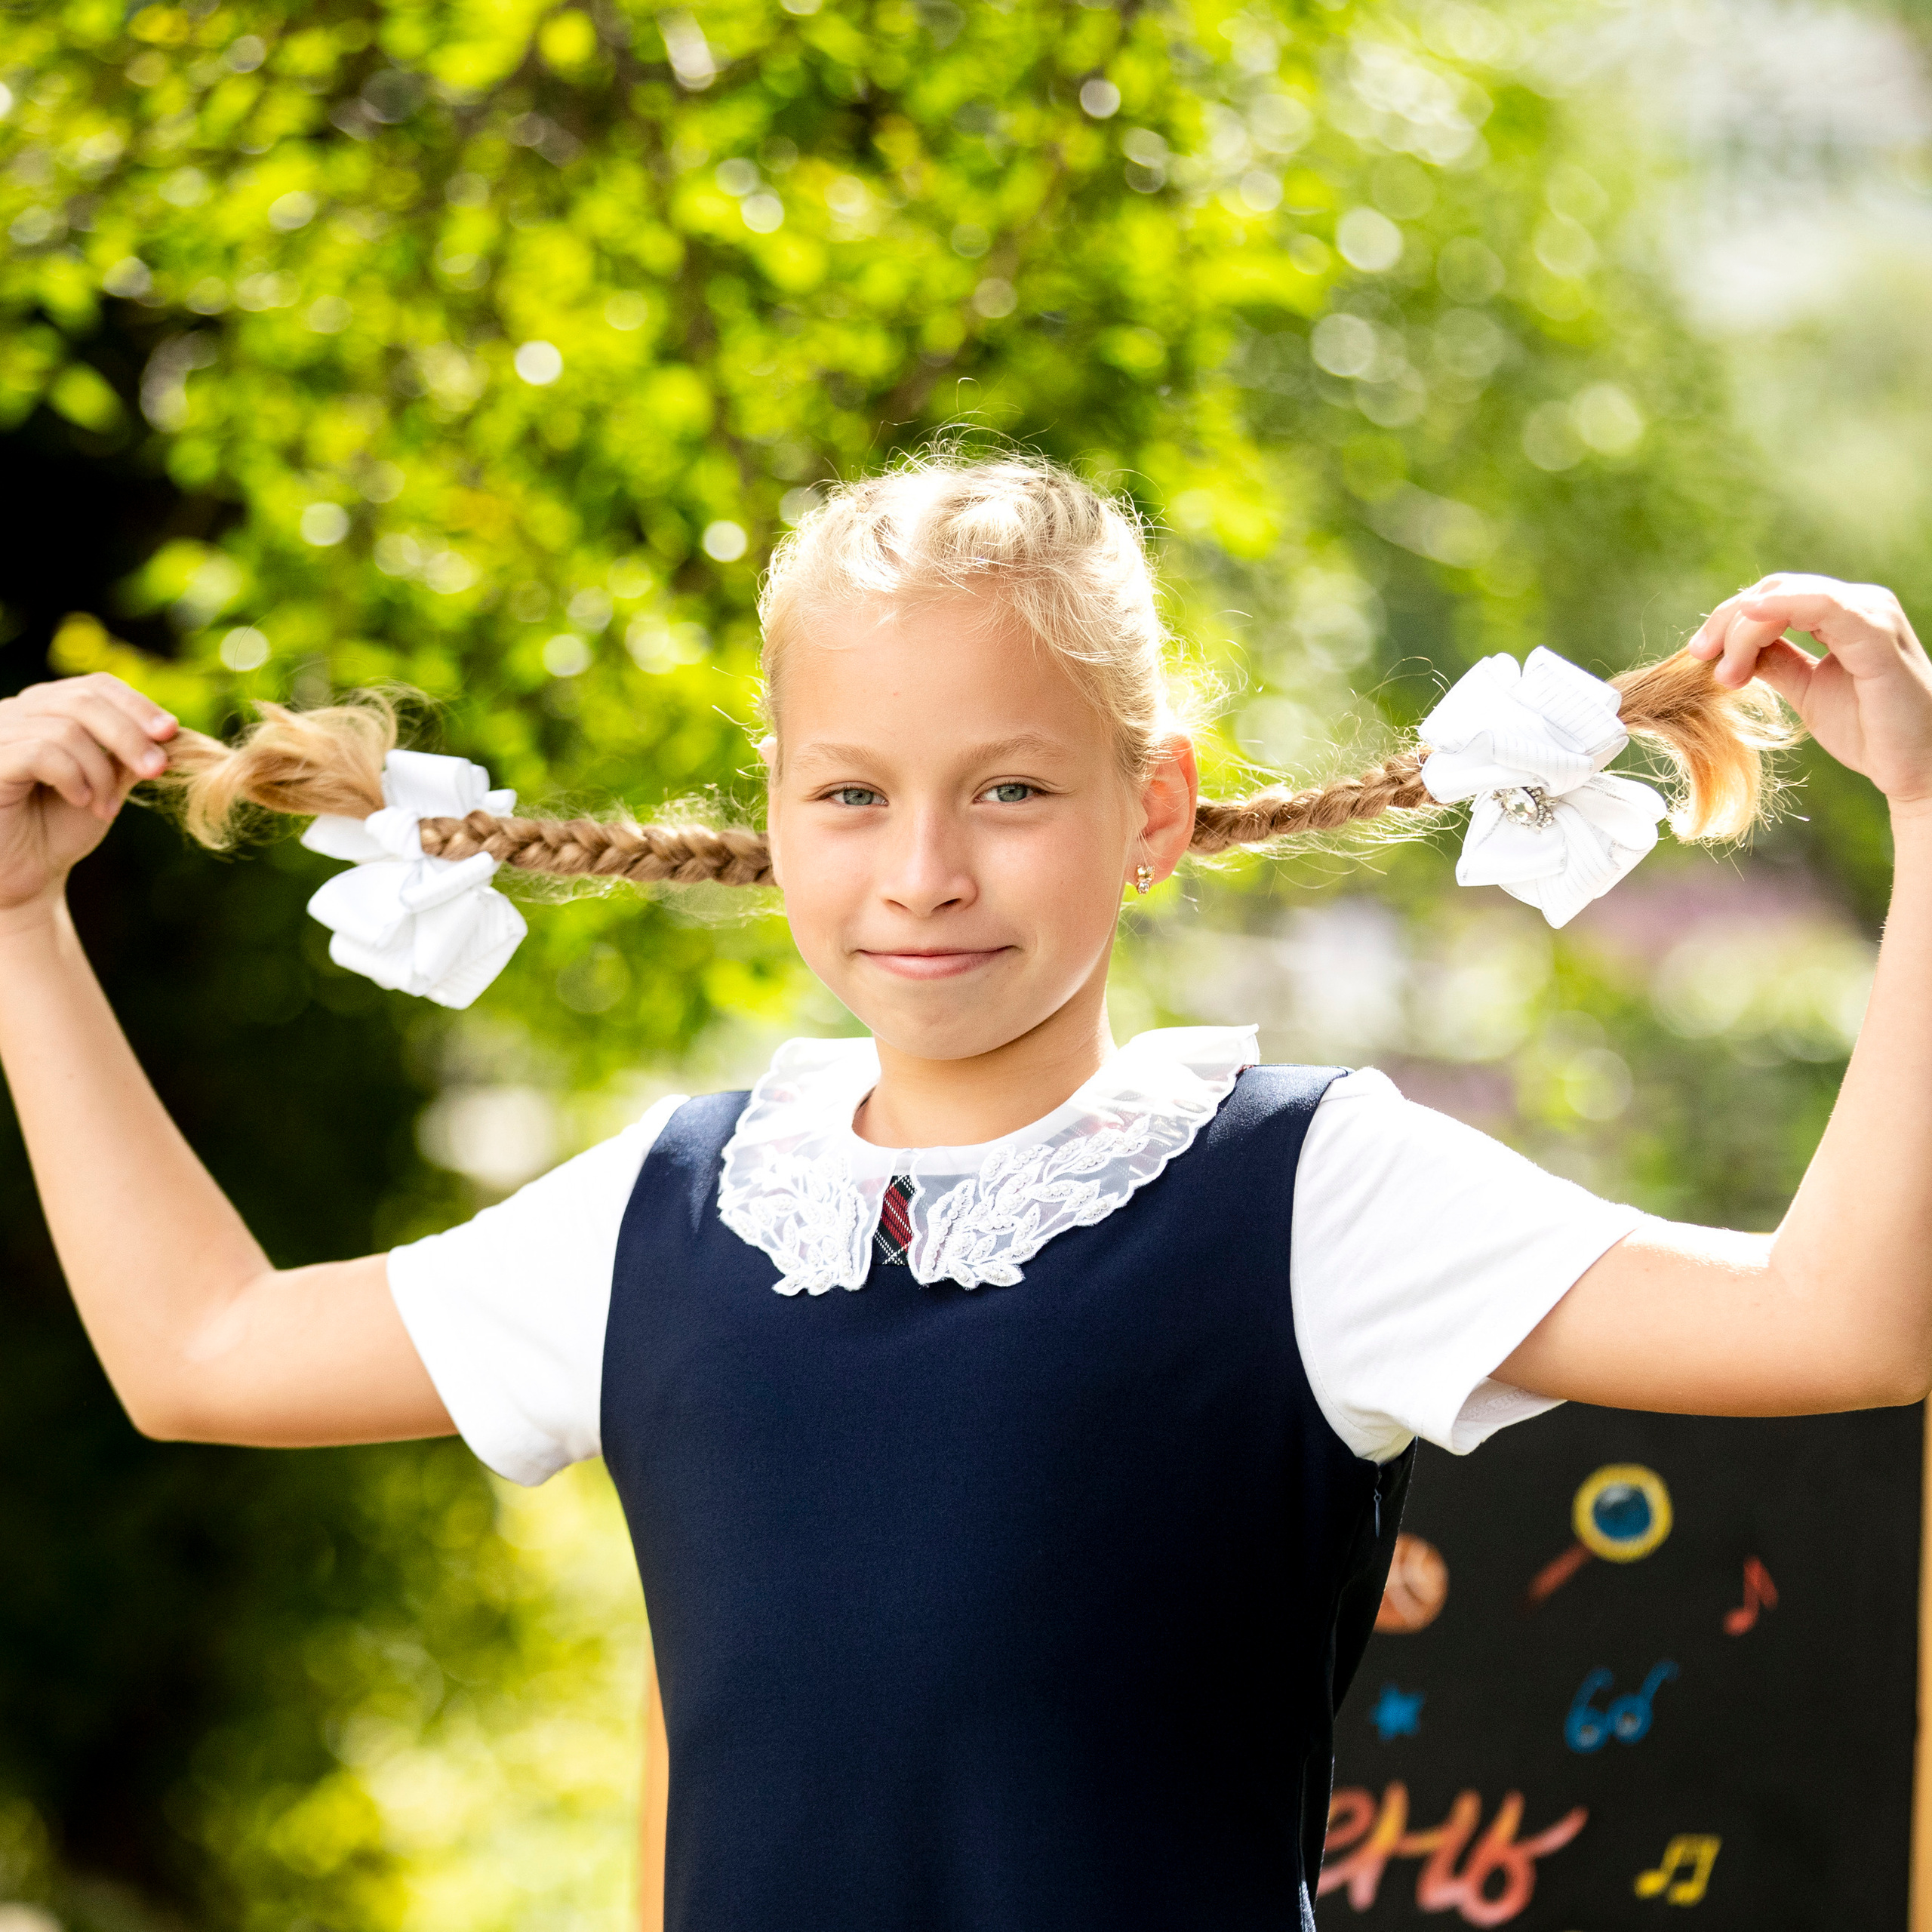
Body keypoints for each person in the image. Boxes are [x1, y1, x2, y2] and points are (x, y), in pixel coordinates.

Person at [1, 455, 1928, 1932]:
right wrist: (18, 925)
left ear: (1149, 807)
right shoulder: (661, 1212)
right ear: (776, 810)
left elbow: (1839, 1324)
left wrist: (1924, 816)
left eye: (1006, 790)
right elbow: (202, 1349)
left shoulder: (1305, 1189)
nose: (920, 869)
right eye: (851, 794)